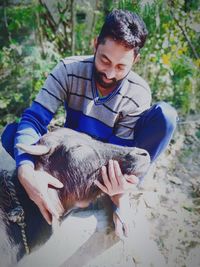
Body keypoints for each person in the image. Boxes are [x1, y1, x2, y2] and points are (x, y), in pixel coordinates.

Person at [1, 9, 177, 238]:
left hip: (101, 163)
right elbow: (34, 119)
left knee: (166, 116)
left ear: (136, 60)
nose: (110, 73)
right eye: (105, 60)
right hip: (73, 160)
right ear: (95, 44)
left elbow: (117, 151)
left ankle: (117, 196)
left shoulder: (138, 92)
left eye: (121, 67)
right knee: (12, 134)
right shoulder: (67, 69)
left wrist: (119, 194)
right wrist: (25, 170)